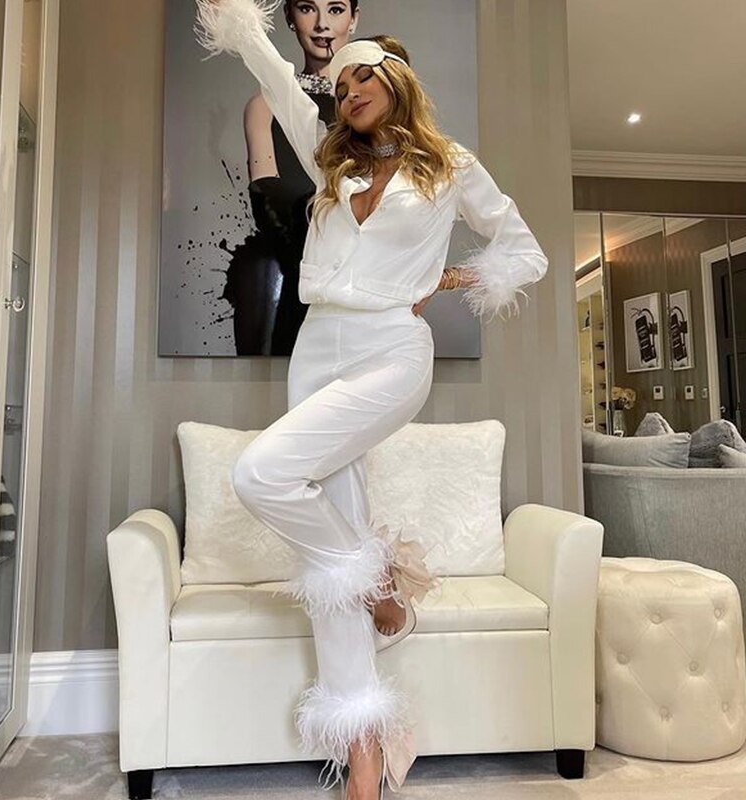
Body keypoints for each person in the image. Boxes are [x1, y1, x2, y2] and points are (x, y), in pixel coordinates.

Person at [194, 1, 549, 797]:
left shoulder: (448, 164)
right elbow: (273, 73)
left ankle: (380, 577)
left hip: (391, 347)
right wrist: (242, 25)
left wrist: (449, 278)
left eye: (363, 78)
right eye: (342, 82)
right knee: (329, 541)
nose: (348, 90)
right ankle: (362, 749)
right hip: (317, 349)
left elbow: (525, 251)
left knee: (261, 474)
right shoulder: (332, 163)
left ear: (397, 84)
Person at [243, 0, 359, 355]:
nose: (322, 24)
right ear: (290, 18)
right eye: (308, 8)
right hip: (301, 278)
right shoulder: (265, 105)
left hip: (368, 289)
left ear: (354, 19)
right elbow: (266, 198)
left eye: (336, 9)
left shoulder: (371, 108)